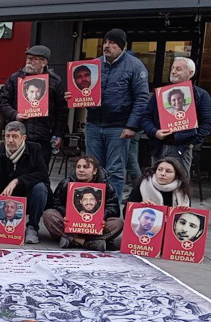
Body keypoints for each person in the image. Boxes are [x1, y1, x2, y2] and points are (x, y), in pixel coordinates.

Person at [82, 29, 149, 203]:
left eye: (112, 43)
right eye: (105, 42)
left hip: (119, 127)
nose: (107, 46)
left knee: (115, 171)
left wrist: (132, 126)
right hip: (93, 124)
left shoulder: (135, 66)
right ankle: (93, 208)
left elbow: (142, 98)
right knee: (93, 170)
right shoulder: (93, 65)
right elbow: (84, 90)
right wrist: (74, 96)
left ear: (121, 46)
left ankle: (111, 210)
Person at [0, 121, 50, 244]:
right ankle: (7, 226)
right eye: (8, 136)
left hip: (28, 198)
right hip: (5, 202)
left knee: (40, 188)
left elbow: (43, 175)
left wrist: (17, 181)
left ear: (23, 137)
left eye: (15, 136)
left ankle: (32, 227)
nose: (10, 140)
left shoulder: (35, 149)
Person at [141, 57, 211, 178]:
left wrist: (191, 142)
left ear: (190, 73)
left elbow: (207, 123)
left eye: (178, 69)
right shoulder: (160, 94)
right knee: (157, 183)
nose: (173, 71)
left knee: (180, 184)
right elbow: (146, 117)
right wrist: (154, 132)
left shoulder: (201, 95)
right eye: (173, 68)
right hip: (159, 147)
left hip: (182, 148)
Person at [0, 45, 67, 167]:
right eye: (28, 58)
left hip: (43, 136)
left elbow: (61, 111)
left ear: (44, 62)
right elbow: (3, 101)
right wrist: (15, 115)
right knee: (16, 170)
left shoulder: (54, 81)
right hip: (19, 134)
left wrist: (58, 134)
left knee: (40, 171)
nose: (29, 61)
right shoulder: (15, 78)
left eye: (33, 59)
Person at [43, 155, 123, 251]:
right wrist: (66, 214)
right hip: (70, 227)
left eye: (86, 167)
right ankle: (86, 242)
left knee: (118, 223)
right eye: (78, 167)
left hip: (95, 228)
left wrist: (102, 217)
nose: (81, 170)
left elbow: (114, 208)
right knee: (49, 215)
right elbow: (55, 204)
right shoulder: (65, 183)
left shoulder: (106, 186)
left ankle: (73, 240)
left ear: (94, 171)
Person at [125, 157, 191, 208]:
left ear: (176, 175)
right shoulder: (143, 184)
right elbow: (126, 212)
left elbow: (191, 218)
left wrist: (185, 211)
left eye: (168, 171)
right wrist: (140, 206)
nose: (162, 174)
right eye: (160, 170)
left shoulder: (182, 188)